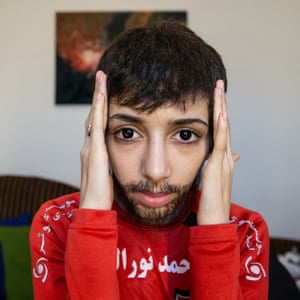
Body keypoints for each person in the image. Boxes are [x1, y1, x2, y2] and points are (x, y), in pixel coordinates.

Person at [30, 21, 269, 299]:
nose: (155, 171)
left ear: (214, 143)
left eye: (185, 134)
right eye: (128, 133)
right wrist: (92, 220)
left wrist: (215, 232)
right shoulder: (57, 225)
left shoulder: (245, 233)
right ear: (100, 138)